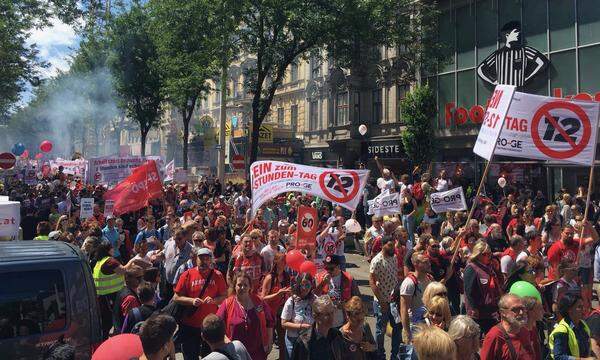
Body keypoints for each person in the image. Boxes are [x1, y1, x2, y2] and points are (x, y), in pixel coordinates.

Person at [174, 247, 227, 360]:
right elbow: (176, 297)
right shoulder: (187, 274)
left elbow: (224, 296)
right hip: (190, 325)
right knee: (190, 356)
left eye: (207, 258)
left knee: (210, 357)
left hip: (210, 325)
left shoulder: (217, 275)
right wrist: (191, 301)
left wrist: (214, 301)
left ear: (211, 260)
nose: (204, 261)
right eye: (201, 258)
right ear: (196, 259)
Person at [91, 240, 143, 339]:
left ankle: (105, 339)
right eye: (111, 248)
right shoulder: (110, 261)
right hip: (111, 296)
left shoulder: (99, 261)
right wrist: (132, 261)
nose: (113, 249)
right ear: (107, 250)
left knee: (106, 322)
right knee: (113, 320)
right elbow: (124, 270)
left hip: (103, 296)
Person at [217, 271, 274, 360]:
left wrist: (269, 342)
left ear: (250, 287)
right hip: (236, 353)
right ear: (235, 286)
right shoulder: (227, 303)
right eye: (239, 285)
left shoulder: (259, 302)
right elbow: (218, 326)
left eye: (245, 285)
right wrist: (227, 343)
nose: (242, 287)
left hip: (258, 353)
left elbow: (269, 322)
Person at [369, 235, 400, 360]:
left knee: (397, 328)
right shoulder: (376, 261)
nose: (393, 248)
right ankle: (380, 355)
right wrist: (381, 301)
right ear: (383, 245)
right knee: (380, 330)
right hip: (382, 302)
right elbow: (372, 282)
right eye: (390, 245)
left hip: (394, 301)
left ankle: (395, 355)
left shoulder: (394, 258)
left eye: (393, 245)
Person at [463, 241, 502, 335]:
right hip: (478, 314)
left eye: (490, 254)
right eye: (485, 254)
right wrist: (475, 308)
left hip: (491, 310)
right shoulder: (471, 268)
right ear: (478, 255)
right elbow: (469, 291)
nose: (488, 256)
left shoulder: (490, 267)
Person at [480, 293, 535, 360]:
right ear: (503, 313)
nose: (521, 312)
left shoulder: (525, 331)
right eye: (515, 309)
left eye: (522, 308)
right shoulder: (494, 336)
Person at [291, 295, 346, 360]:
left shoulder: (337, 335)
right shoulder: (303, 342)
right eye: (326, 314)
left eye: (332, 313)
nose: (331, 317)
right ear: (315, 316)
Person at [315, 254, 360, 328]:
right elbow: (314, 296)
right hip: (324, 322)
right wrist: (323, 283)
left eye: (331, 268)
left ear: (338, 267)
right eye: (326, 268)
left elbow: (357, 300)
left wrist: (346, 305)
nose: (328, 271)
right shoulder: (319, 277)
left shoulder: (349, 278)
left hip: (342, 322)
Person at [261, 253, 291, 360]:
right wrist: (278, 294)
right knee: (268, 340)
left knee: (283, 340)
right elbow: (263, 298)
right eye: (283, 261)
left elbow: (288, 293)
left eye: (285, 261)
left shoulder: (287, 276)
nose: (285, 263)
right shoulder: (270, 278)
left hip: (282, 311)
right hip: (270, 313)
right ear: (276, 262)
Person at [281, 273, 317, 359]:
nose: (304, 288)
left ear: (311, 285)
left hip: (310, 339)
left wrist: (313, 306)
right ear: (298, 285)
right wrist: (301, 326)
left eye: (307, 285)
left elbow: (320, 317)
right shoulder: (292, 301)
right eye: (302, 285)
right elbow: (284, 323)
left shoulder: (315, 299)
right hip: (293, 340)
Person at [400, 251, 433, 341]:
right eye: (425, 262)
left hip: (427, 324)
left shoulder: (430, 279)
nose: (429, 264)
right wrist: (407, 332)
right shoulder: (409, 283)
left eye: (428, 261)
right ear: (416, 264)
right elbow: (404, 310)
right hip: (414, 327)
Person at [549, 293, 593, 360]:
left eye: (583, 306)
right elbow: (558, 357)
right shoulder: (561, 331)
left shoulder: (583, 325)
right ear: (569, 310)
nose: (583, 309)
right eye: (579, 307)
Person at [162, 228, 193, 300]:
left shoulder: (191, 250)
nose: (177, 241)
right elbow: (163, 254)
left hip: (181, 286)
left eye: (179, 239)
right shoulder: (170, 244)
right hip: (168, 282)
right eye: (175, 238)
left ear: (185, 237)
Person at [113, 268, 143, 334]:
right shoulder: (130, 298)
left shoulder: (123, 290)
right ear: (128, 279)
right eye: (139, 278)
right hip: (126, 335)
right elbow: (131, 321)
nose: (141, 280)